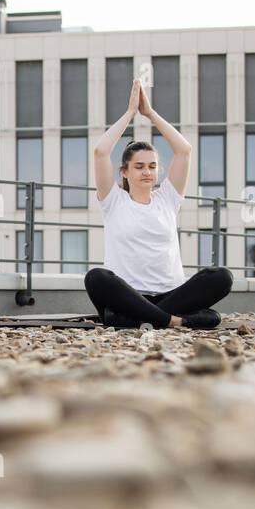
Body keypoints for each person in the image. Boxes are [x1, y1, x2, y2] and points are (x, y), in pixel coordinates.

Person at [83, 78, 231, 329]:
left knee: (221, 277)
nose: (147, 172)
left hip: (170, 295)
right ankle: (175, 321)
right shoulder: (113, 200)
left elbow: (184, 150)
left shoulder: (168, 198)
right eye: (139, 166)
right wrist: (130, 113)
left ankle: (139, 319)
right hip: (128, 295)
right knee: (96, 278)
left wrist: (150, 114)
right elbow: (100, 152)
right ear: (125, 172)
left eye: (152, 166)